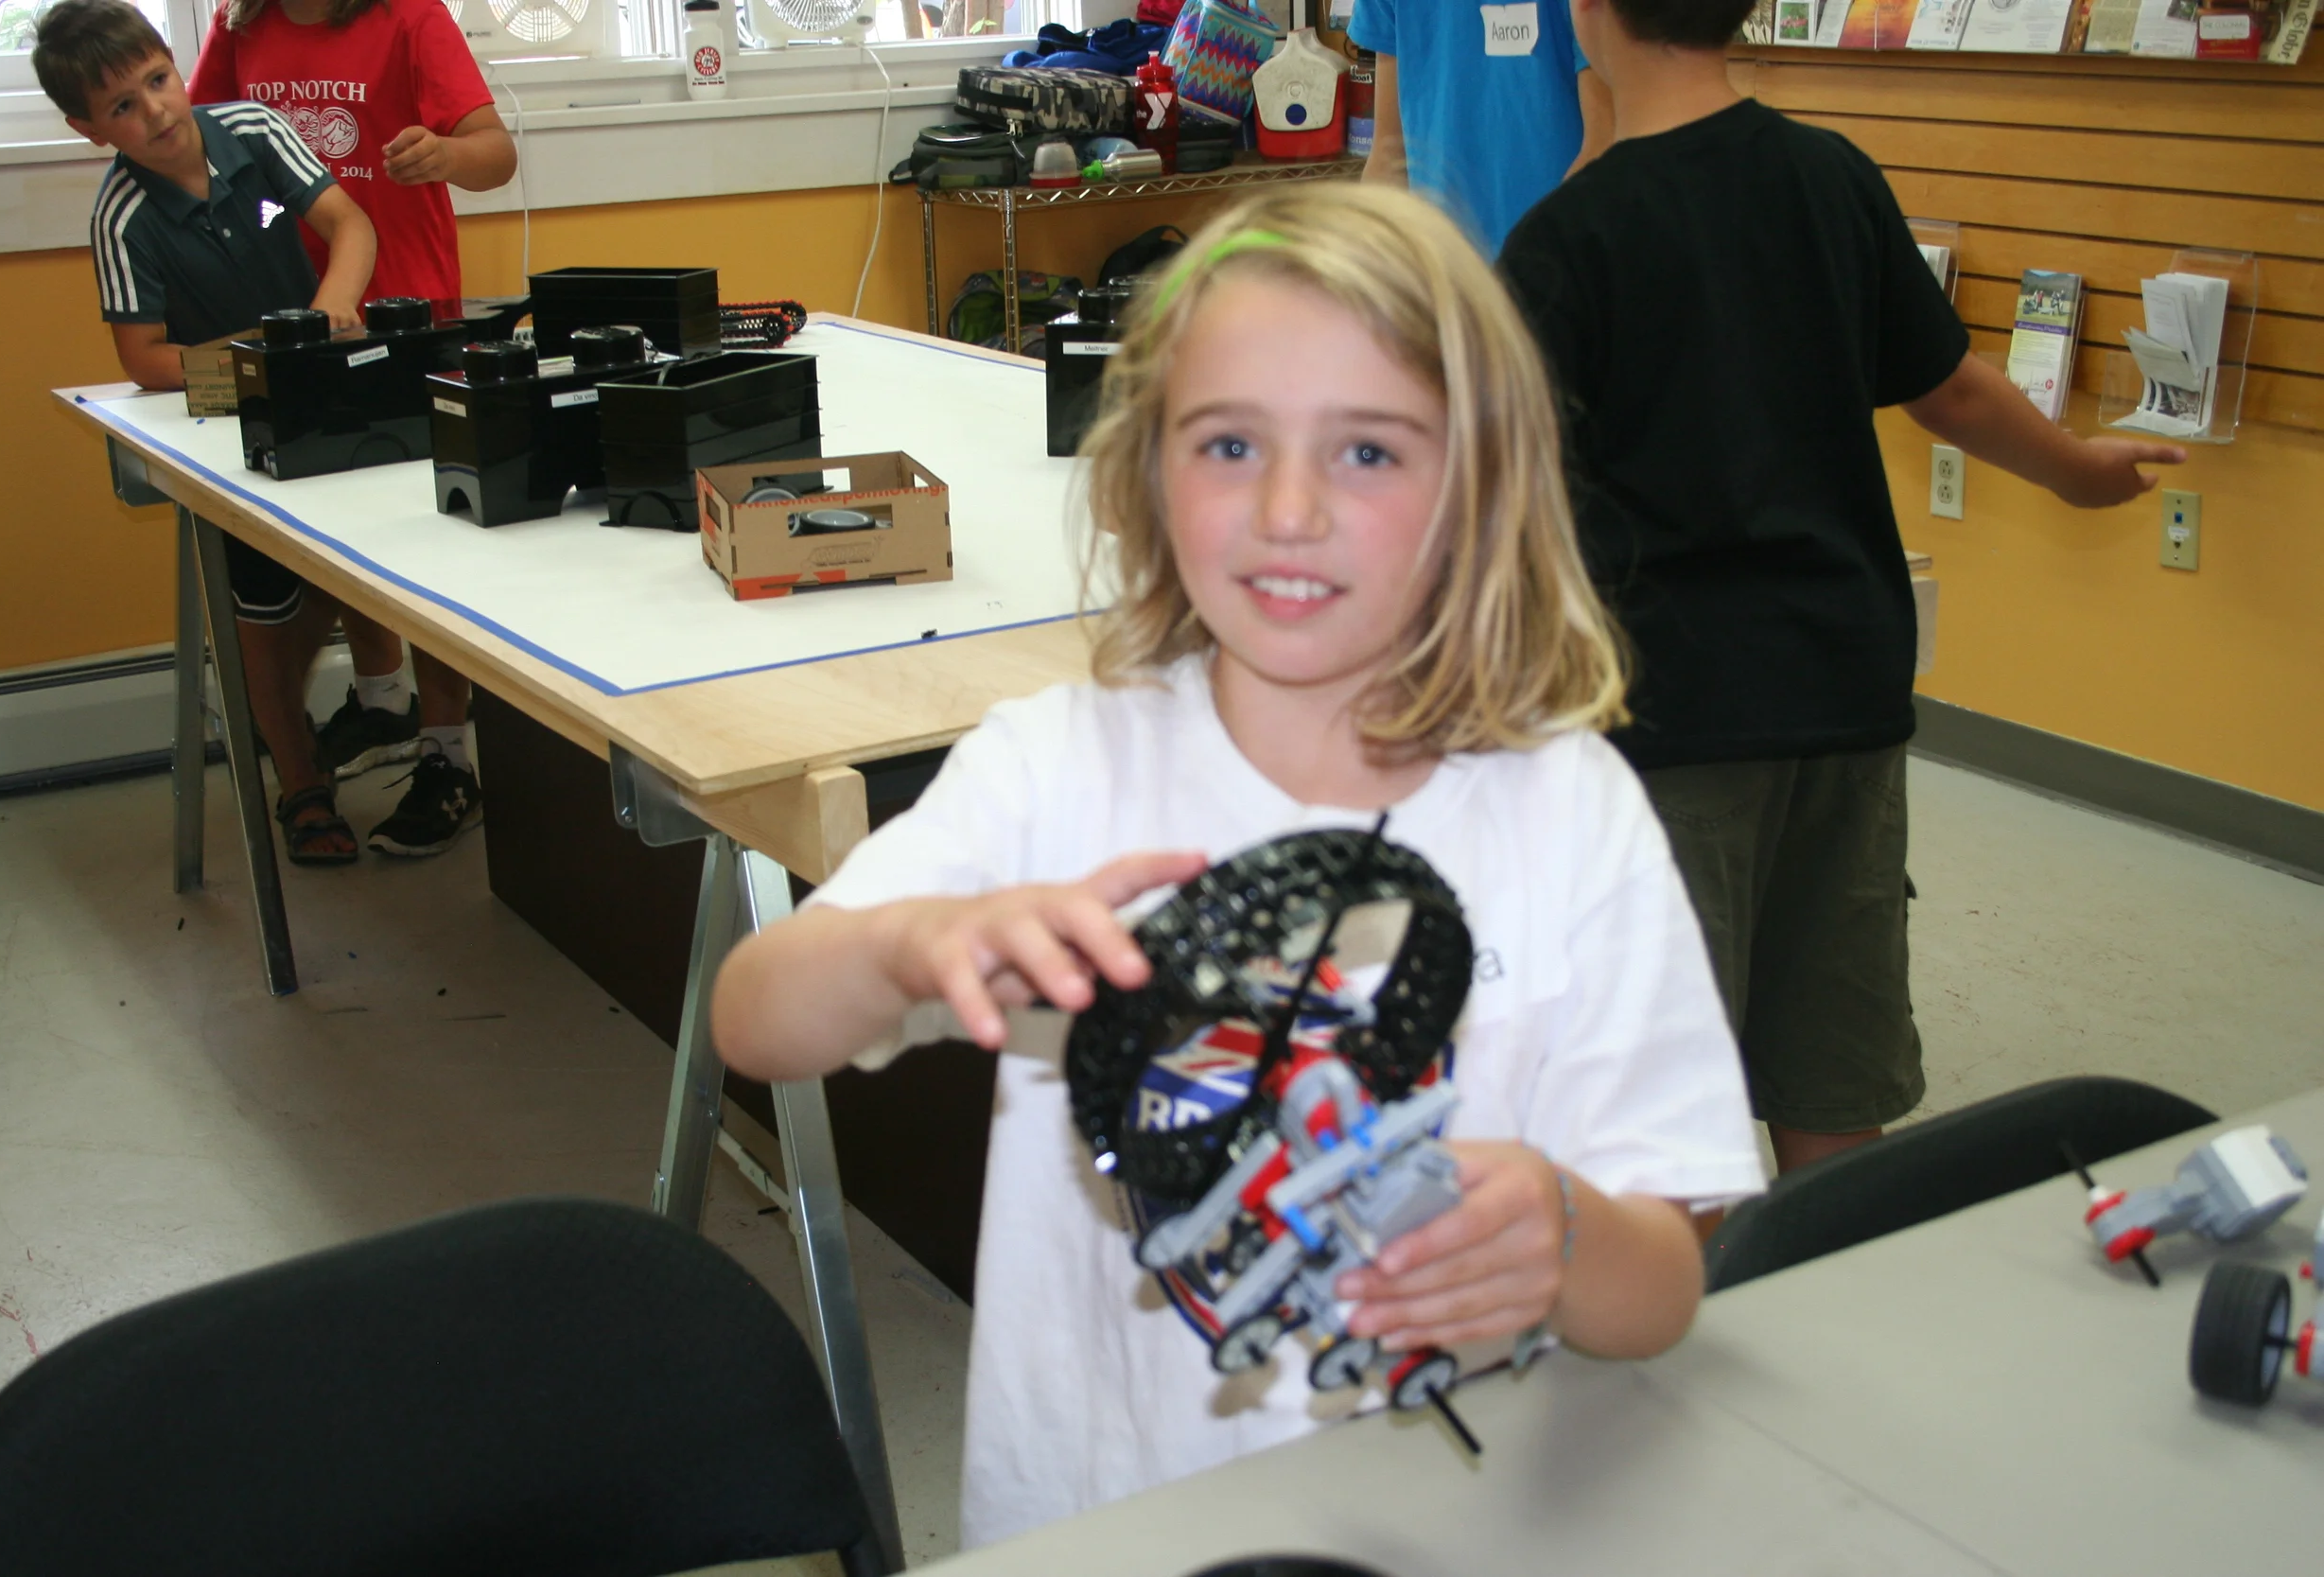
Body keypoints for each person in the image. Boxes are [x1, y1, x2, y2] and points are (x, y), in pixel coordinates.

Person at [709, 184, 1765, 1547]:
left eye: (1371, 453)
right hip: (1101, 1524)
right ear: (1150, 469)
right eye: (1226, 443)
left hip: (1458, 1529)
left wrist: (1562, 1230)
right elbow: (756, 1018)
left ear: (1484, 486)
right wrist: (907, 943)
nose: (1287, 508)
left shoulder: (1572, 810)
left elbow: (1664, 1283)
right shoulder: (1057, 767)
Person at [1499, 0, 2186, 1174]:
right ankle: (1846, 1298)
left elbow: (1500, 492)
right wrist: (2076, 472)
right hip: (1841, 682)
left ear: (1587, 12)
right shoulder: (1829, 176)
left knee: (1661, 1085)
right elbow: (1949, 387)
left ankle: (1678, 1336)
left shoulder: (1570, 235)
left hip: (1666, 715)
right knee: (1833, 1060)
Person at [34, 0, 382, 866]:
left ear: (174, 64)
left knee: (370, 557)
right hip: (228, 425)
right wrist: (257, 356)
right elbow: (145, 357)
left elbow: (349, 224)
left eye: (157, 81)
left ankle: (397, 716)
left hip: (328, 393)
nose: (153, 112)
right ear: (88, 129)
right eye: (121, 106)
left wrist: (332, 305)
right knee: (262, 603)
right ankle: (299, 781)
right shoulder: (123, 219)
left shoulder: (255, 128)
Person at [188, 0, 517, 857]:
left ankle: (449, 757)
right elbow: (195, 138)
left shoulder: (412, 17)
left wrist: (444, 153)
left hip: (409, 319)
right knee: (327, 536)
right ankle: (382, 700)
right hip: (291, 322)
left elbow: (496, 156)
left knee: (433, 545)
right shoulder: (241, 24)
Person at [1351, 0, 1614, 256]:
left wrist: (1541, 272)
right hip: (1444, 266)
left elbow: (1605, 148)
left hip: (1555, 258)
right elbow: (1389, 156)